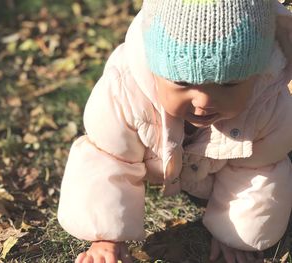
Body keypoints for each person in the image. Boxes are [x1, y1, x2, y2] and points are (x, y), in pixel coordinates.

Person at [58, 0, 292, 262]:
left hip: (213, 171)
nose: (203, 102)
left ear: (257, 74)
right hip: (154, 159)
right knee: (110, 151)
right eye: (182, 81)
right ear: (154, 68)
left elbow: (260, 170)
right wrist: (105, 235)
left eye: (228, 84)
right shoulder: (124, 92)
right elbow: (108, 159)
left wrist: (239, 237)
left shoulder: (268, 104)